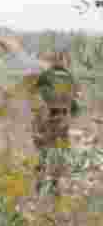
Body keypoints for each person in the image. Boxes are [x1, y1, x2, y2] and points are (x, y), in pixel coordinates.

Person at [31, 50, 81, 194]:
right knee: (59, 152)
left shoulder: (45, 76)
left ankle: (40, 184)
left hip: (48, 120)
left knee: (44, 153)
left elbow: (36, 96)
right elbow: (75, 103)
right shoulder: (70, 77)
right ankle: (54, 184)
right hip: (63, 121)